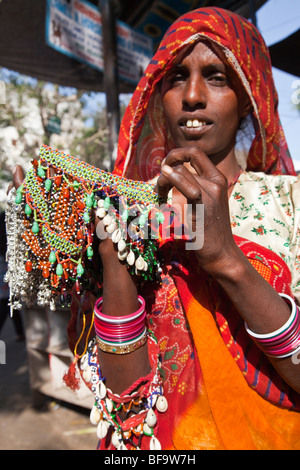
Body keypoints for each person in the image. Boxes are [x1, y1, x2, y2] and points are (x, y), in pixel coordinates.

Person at [11, 7, 300, 450]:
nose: (193, 95)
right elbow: (124, 404)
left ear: (246, 98)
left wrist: (227, 260)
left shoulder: (289, 204)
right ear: (157, 94)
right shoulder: (124, 209)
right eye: (176, 77)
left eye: (217, 77)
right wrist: (114, 263)